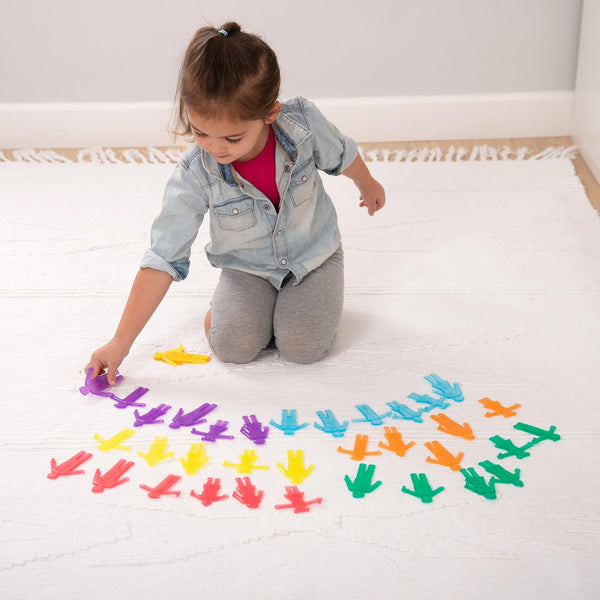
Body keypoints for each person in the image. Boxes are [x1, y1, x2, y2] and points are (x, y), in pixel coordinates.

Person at [86, 21, 386, 385]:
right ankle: (232, 311)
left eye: (232, 137)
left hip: (313, 256)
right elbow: (163, 258)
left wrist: (367, 183)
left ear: (270, 113)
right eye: (200, 132)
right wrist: (120, 341)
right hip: (247, 269)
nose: (216, 148)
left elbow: (341, 154)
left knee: (303, 347)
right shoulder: (195, 173)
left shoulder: (302, 125)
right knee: (233, 346)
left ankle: (287, 312)